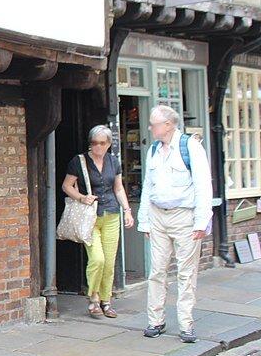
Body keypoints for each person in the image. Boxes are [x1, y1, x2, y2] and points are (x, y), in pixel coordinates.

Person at [137, 105, 213, 343]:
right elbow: (147, 187)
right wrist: (145, 221)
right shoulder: (153, 150)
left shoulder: (190, 146)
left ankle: (186, 324)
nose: (150, 128)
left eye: (154, 124)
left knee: (186, 273)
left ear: (168, 125)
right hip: (158, 215)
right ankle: (155, 320)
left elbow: (203, 185)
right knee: (157, 271)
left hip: (184, 216)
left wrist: (202, 221)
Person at [62, 125, 135, 318]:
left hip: (111, 214)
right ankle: (93, 297)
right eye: (94, 143)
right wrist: (81, 197)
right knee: (97, 259)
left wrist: (127, 210)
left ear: (109, 144)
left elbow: (118, 188)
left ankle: (106, 301)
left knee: (109, 263)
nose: (98, 147)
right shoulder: (79, 162)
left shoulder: (113, 162)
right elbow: (66, 186)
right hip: (90, 217)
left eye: (102, 143)